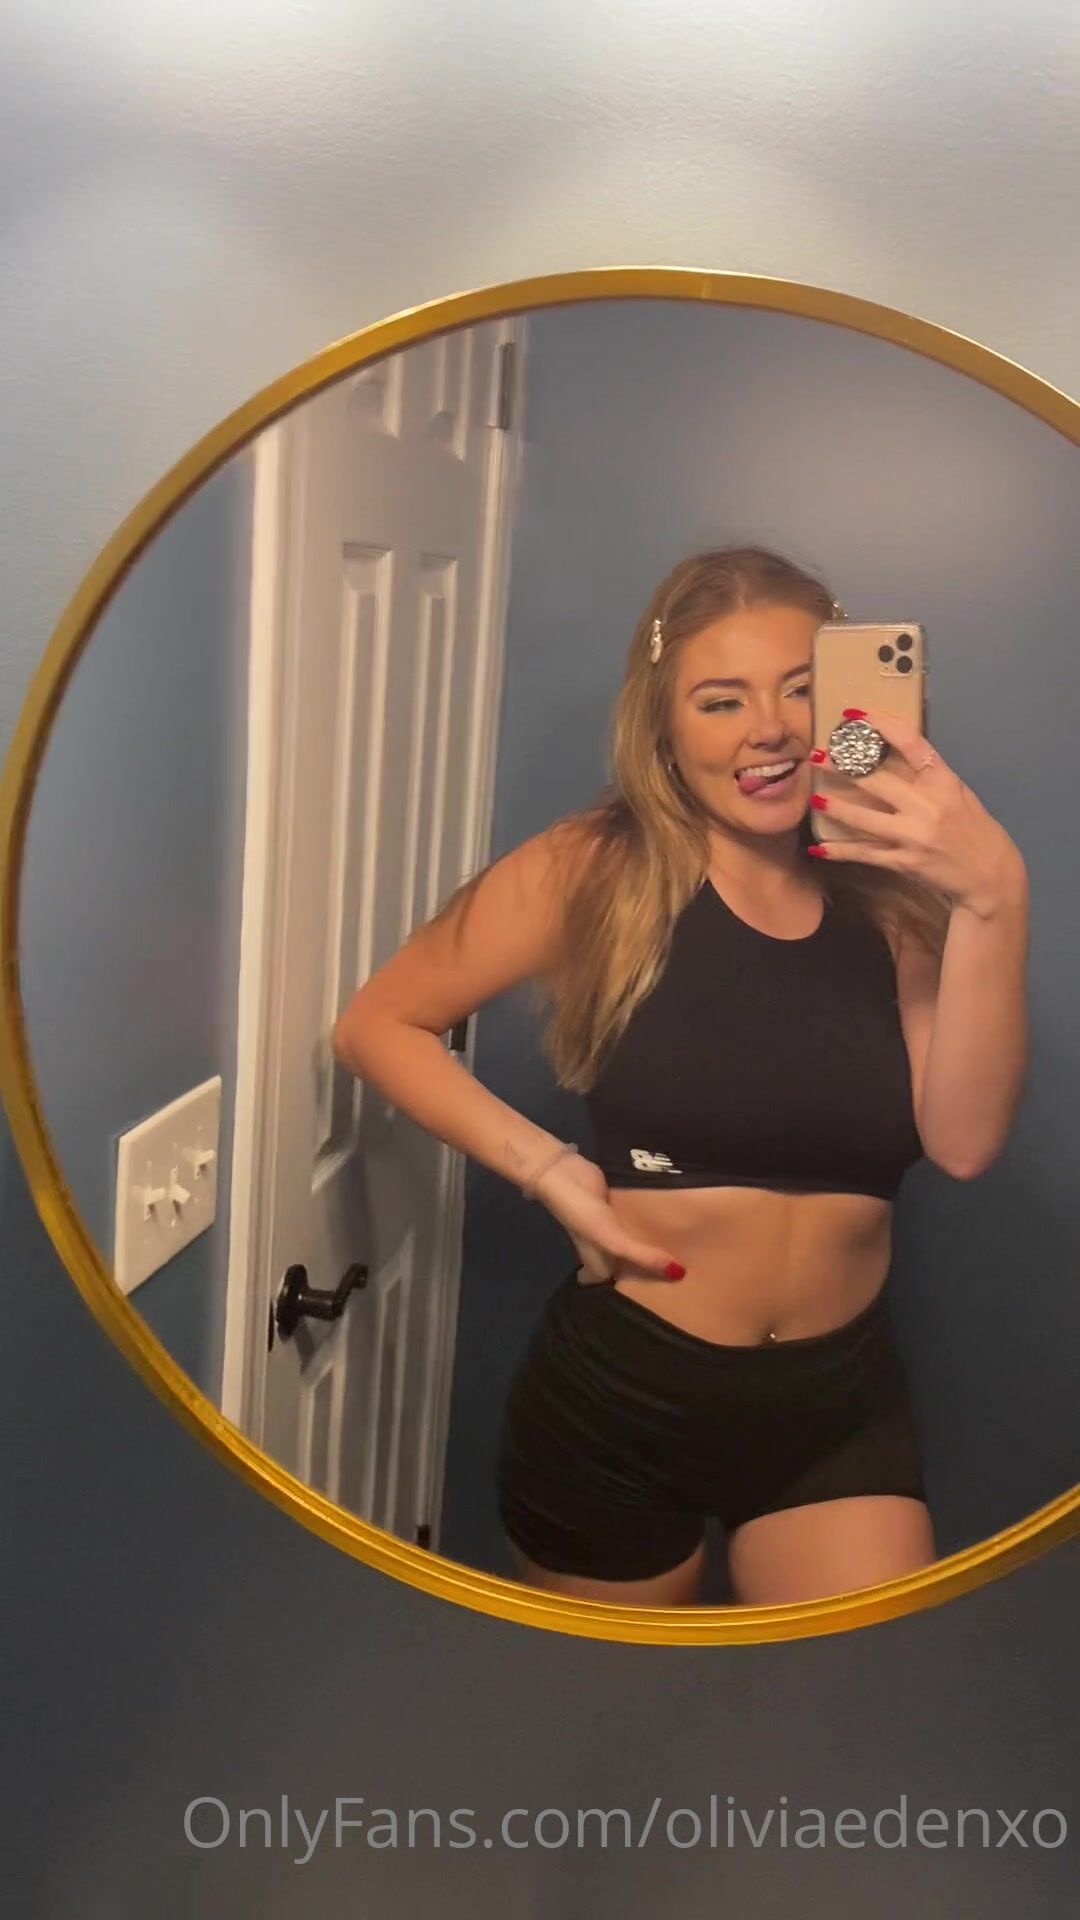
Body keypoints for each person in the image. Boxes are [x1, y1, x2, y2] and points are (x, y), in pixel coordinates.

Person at [331, 547, 1029, 1607]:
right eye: (722, 700)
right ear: (664, 726)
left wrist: (994, 898)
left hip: (836, 1406)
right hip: (623, 1401)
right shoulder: (593, 868)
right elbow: (379, 1024)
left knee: (852, 1694)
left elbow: (965, 1142)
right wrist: (549, 1169)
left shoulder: (898, 899)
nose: (770, 729)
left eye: (801, 688)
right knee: (609, 1708)